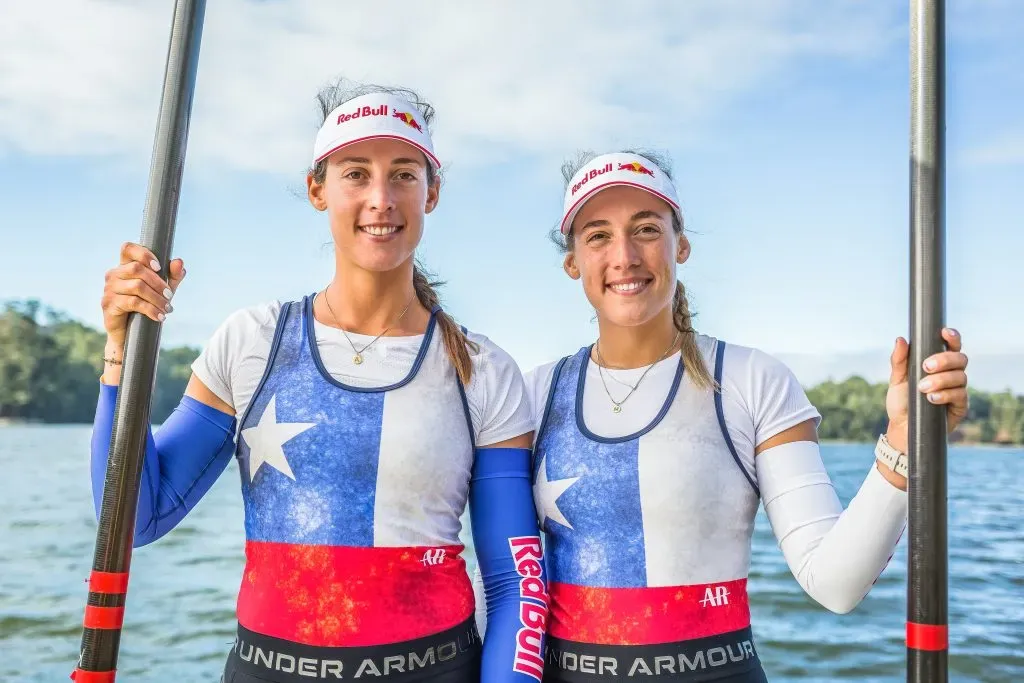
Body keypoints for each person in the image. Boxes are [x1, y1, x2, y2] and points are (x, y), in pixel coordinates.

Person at [89, 81, 548, 683]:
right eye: (356, 173)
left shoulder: (482, 369)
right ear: (317, 189)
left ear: (431, 192)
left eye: (404, 174)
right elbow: (135, 517)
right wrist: (122, 352)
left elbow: (516, 584)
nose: (381, 198)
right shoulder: (251, 339)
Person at [483, 149, 969, 682]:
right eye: (598, 235)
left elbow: (835, 584)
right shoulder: (531, 395)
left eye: (646, 229)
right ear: (572, 261)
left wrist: (902, 444)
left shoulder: (751, 380)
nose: (624, 256)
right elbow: (506, 590)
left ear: (680, 245)